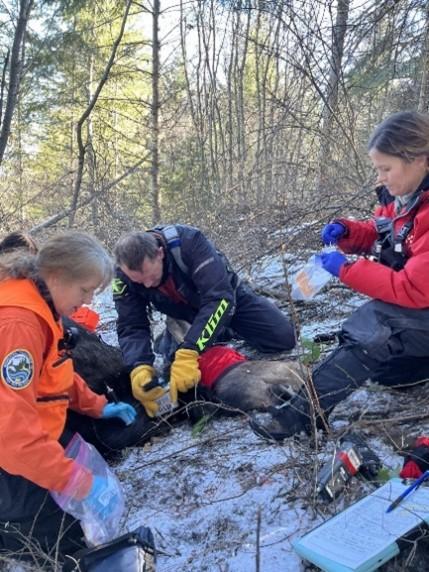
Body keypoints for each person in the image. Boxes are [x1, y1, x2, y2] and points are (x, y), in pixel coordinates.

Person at [253, 110, 429, 440]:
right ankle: (416, 367)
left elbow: (413, 289)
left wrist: (346, 269)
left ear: (419, 159)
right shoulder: (410, 196)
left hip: (421, 300)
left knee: (377, 323)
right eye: (378, 169)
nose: (381, 178)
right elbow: (386, 232)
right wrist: (348, 233)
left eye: (386, 169)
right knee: (388, 372)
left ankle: (302, 415)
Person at [0, 231, 137, 563]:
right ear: (58, 277)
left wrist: (98, 406)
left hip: (29, 433)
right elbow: (11, 433)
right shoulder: (19, 323)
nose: (89, 301)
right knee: (67, 539)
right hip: (8, 451)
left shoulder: (43, 303)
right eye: (85, 290)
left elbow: (56, 371)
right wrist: (74, 481)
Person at [113, 225, 296, 417]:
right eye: (139, 281)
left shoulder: (190, 242)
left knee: (283, 337)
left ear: (160, 253)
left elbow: (219, 299)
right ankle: (174, 338)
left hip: (228, 299)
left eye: (150, 276)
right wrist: (138, 365)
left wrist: (190, 349)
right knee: (178, 371)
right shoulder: (122, 277)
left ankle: (218, 332)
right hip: (184, 314)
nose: (148, 285)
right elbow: (131, 325)